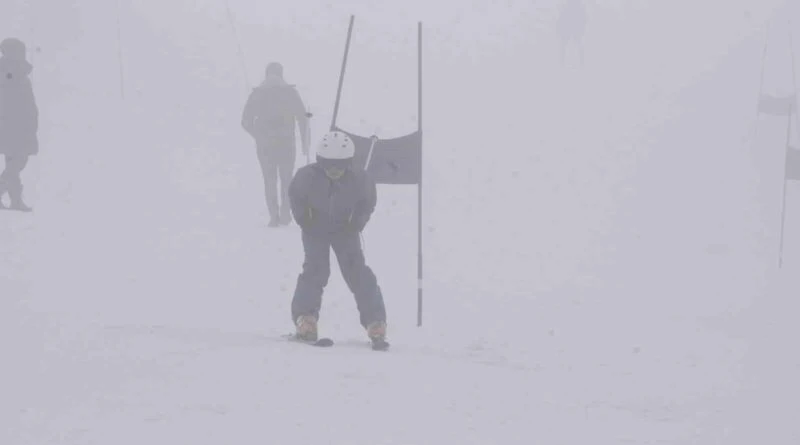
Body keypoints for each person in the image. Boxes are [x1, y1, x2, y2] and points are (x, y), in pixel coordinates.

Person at [287, 130, 387, 344]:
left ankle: (375, 321)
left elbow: (367, 202)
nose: (334, 171)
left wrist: (356, 223)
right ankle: (306, 318)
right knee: (316, 269)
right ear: (320, 162)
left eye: (339, 166)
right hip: (315, 228)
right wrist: (305, 219)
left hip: (345, 229)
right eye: (329, 165)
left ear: (348, 163)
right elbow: (295, 197)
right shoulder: (307, 177)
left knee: (357, 271)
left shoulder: (360, 179)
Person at [241, 62, 310, 227]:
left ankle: (274, 216)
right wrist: (305, 144)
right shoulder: (290, 93)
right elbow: (302, 118)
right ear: (281, 74)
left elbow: (245, 122)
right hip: (287, 144)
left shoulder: (257, 94)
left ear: (266, 74)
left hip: (265, 147)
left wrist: (258, 134)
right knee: (287, 179)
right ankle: (286, 214)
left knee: (269, 180)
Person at [0, 37, 38, 211]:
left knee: (14, 162)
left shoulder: (17, 72)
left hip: (19, 126)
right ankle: (13, 198)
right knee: (17, 161)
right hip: (13, 126)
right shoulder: (8, 72)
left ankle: (15, 200)